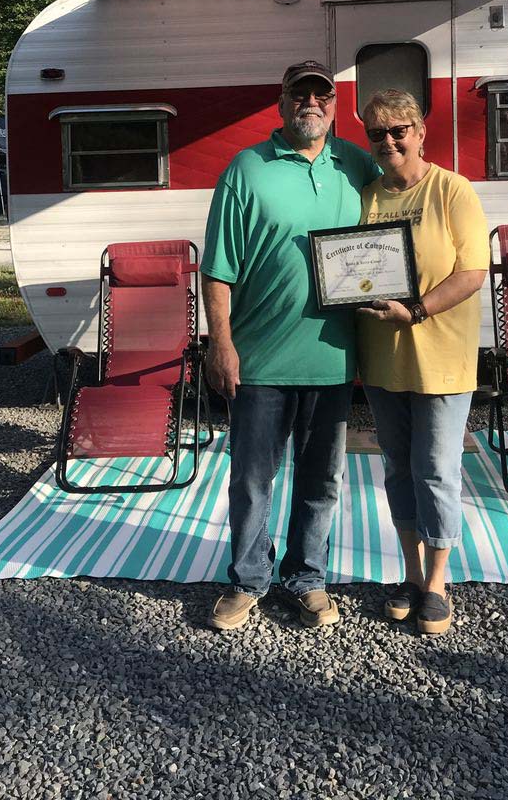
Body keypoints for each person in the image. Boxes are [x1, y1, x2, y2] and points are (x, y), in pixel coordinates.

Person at [202, 60, 379, 631]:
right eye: (299, 94)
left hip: (332, 359)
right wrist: (220, 344)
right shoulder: (246, 169)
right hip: (259, 361)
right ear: (280, 103)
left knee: (321, 480)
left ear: (334, 104)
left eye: (321, 95)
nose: (311, 103)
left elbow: (394, 225)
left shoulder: (356, 164)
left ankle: (307, 577)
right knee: (252, 479)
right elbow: (218, 269)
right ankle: (249, 580)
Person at [357, 88, 489, 636]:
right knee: (397, 469)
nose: (388, 141)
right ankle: (410, 573)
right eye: (377, 133)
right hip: (383, 362)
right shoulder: (367, 196)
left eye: (398, 130)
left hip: (442, 361)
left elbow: (472, 272)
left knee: (436, 471)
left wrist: (415, 310)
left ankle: (437, 583)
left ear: (420, 131)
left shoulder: (452, 190)